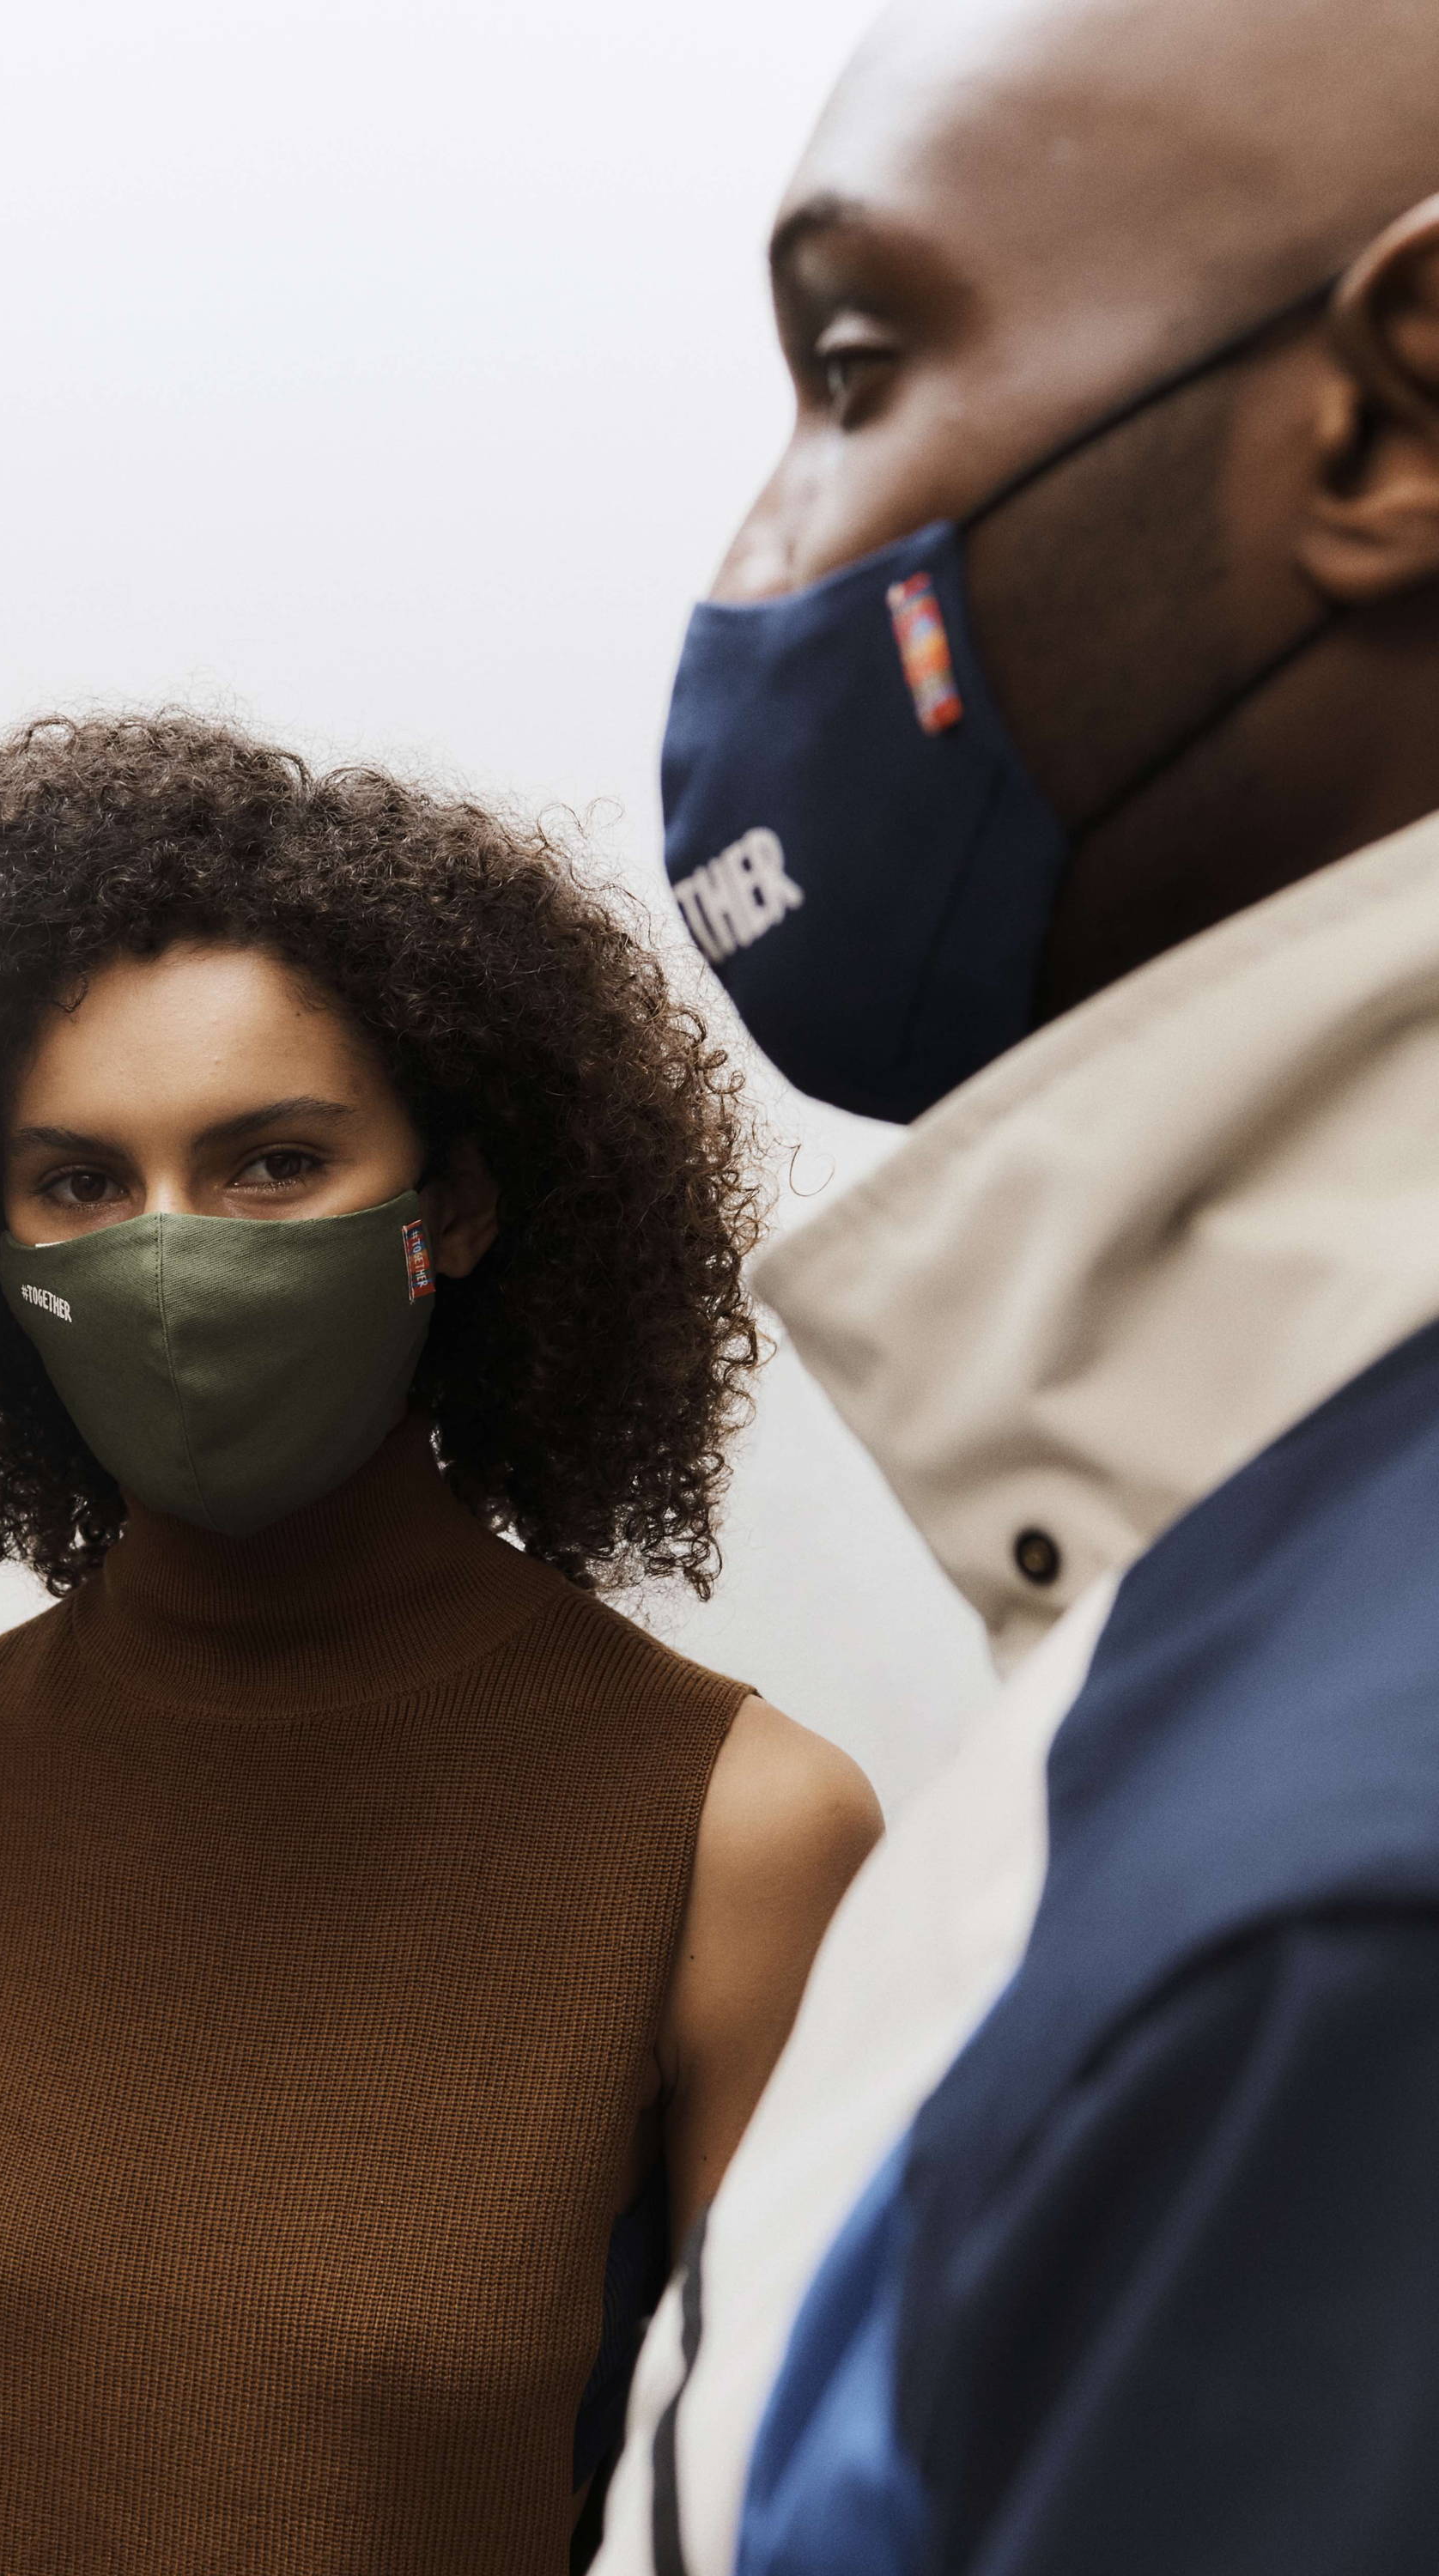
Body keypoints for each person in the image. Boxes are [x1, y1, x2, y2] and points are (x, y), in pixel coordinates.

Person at [0, 713, 880, 2576]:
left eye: (271, 1163)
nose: (174, 1254)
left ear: (456, 1206)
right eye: (82, 1183)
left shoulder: (735, 1833)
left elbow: (767, 2536)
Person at [598, 1, 1439, 2569]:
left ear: (1399, 427)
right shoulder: (1240, 1611)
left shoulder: (1343, 1926)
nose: (764, 563)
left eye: (858, 366)